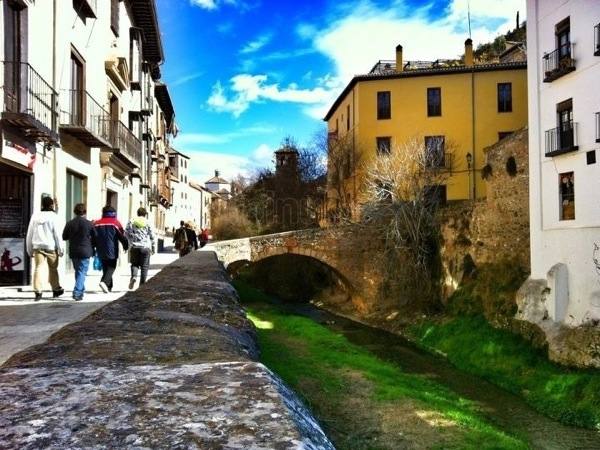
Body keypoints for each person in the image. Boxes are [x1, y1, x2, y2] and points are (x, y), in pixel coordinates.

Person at [26, 196, 64, 301]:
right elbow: (57, 234)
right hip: (51, 247)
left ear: (42, 205)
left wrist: (29, 249)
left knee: (38, 268)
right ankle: (56, 289)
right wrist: (61, 249)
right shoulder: (54, 216)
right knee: (53, 269)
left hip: (38, 246)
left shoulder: (35, 216)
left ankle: (38, 291)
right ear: (51, 205)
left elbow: (30, 233)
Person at [62, 203, 96, 301]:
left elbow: (64, 237)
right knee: (81, 272)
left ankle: (81, 291)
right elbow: (95, 237)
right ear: (85, 212)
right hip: (85, 250)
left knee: (78, 271)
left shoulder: (70, 223)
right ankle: (77, 292)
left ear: (74, 212)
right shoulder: (89, 224)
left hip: (74, 250)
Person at [94, 205, 128, 293]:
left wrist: (93, 247)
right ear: (113, 213)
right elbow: (122, 236)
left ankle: (109, 287)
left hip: (100, 249)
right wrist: (125, 245)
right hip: (112, 249)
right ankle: (104, 282)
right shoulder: (115, 223)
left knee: (106, 267)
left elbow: (92, 237)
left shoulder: (96, 223)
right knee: (112, 267)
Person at [125, 207, 155, 289]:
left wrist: (131, 241)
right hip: (145, 247)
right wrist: (153, 247)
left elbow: (126, 233)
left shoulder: (132, 221)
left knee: (134, 264)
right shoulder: (148, 222)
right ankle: (142, 286)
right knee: (144, 267)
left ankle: (134, 276)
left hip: (134, 246)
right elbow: (152, 236)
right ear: (145, 214)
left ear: (137, 213)